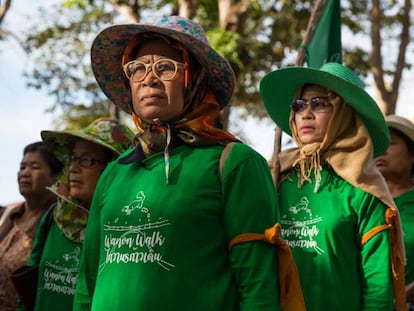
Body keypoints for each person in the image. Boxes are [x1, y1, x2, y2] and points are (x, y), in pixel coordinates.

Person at [73, 16, 282, 310]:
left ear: (194, 79)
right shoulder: (115, 170)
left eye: (165, 67)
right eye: (138, 68)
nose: (149, 78)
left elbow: (259, 288)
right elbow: (88, 282)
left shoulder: (235, 163)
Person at [260, 62, 406, 311]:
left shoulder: (364, 188)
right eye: (299, 105)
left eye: (319, 103)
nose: (306, 113)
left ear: (345, 113)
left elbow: (378, 287)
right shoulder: (274, 175)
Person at [18, 118, 134, 311]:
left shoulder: (125, 229)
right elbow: (27, 291)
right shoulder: (55, 218)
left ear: (115, 166)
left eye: (86, 160)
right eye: (73, 158)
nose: (73, 168)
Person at [0, 142, 63, 311]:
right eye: (22, 167)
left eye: (34, 167)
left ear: (56, 176)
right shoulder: (7, 215)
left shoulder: (59, 223)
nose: (24, 173)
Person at [374, 114, 414, 309]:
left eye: (391, 143)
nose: (381, 151)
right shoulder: (361, 201)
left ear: (412, 154)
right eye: (377, 144)